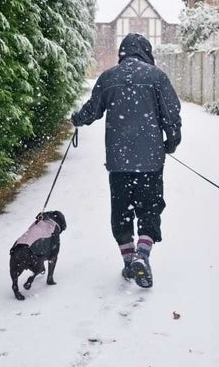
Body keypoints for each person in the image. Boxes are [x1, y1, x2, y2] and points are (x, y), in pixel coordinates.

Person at [71, 33, 181, 288]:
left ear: (123, 52)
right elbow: (171, 114)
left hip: (118, 162)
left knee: (121, 212)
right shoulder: (156, 77)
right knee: (149, 209)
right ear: (146, 52)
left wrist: (77, 119)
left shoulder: (109, 78)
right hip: (150, 162)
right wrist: (171, 142)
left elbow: (92, 110)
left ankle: (129, 258)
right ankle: (142, 255)